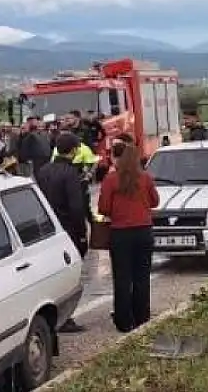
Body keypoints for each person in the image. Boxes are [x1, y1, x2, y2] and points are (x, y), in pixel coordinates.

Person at [97, 141, 159, 333]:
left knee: (122, 278)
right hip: (144, 232)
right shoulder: (146, 178)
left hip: (121, 233)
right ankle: (142, 316)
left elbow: (103, 208)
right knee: (142, 276)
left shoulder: (111, 180)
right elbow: (155, 202)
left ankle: (124, 320)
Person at [36, 132, 91, 334]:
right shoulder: (70, 174)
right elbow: (76, 208)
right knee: (70, 275)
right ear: (75, 150)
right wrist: (83, 233)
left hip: (47, 230)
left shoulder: (43, 171)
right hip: (68, 229)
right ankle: (65, 317)